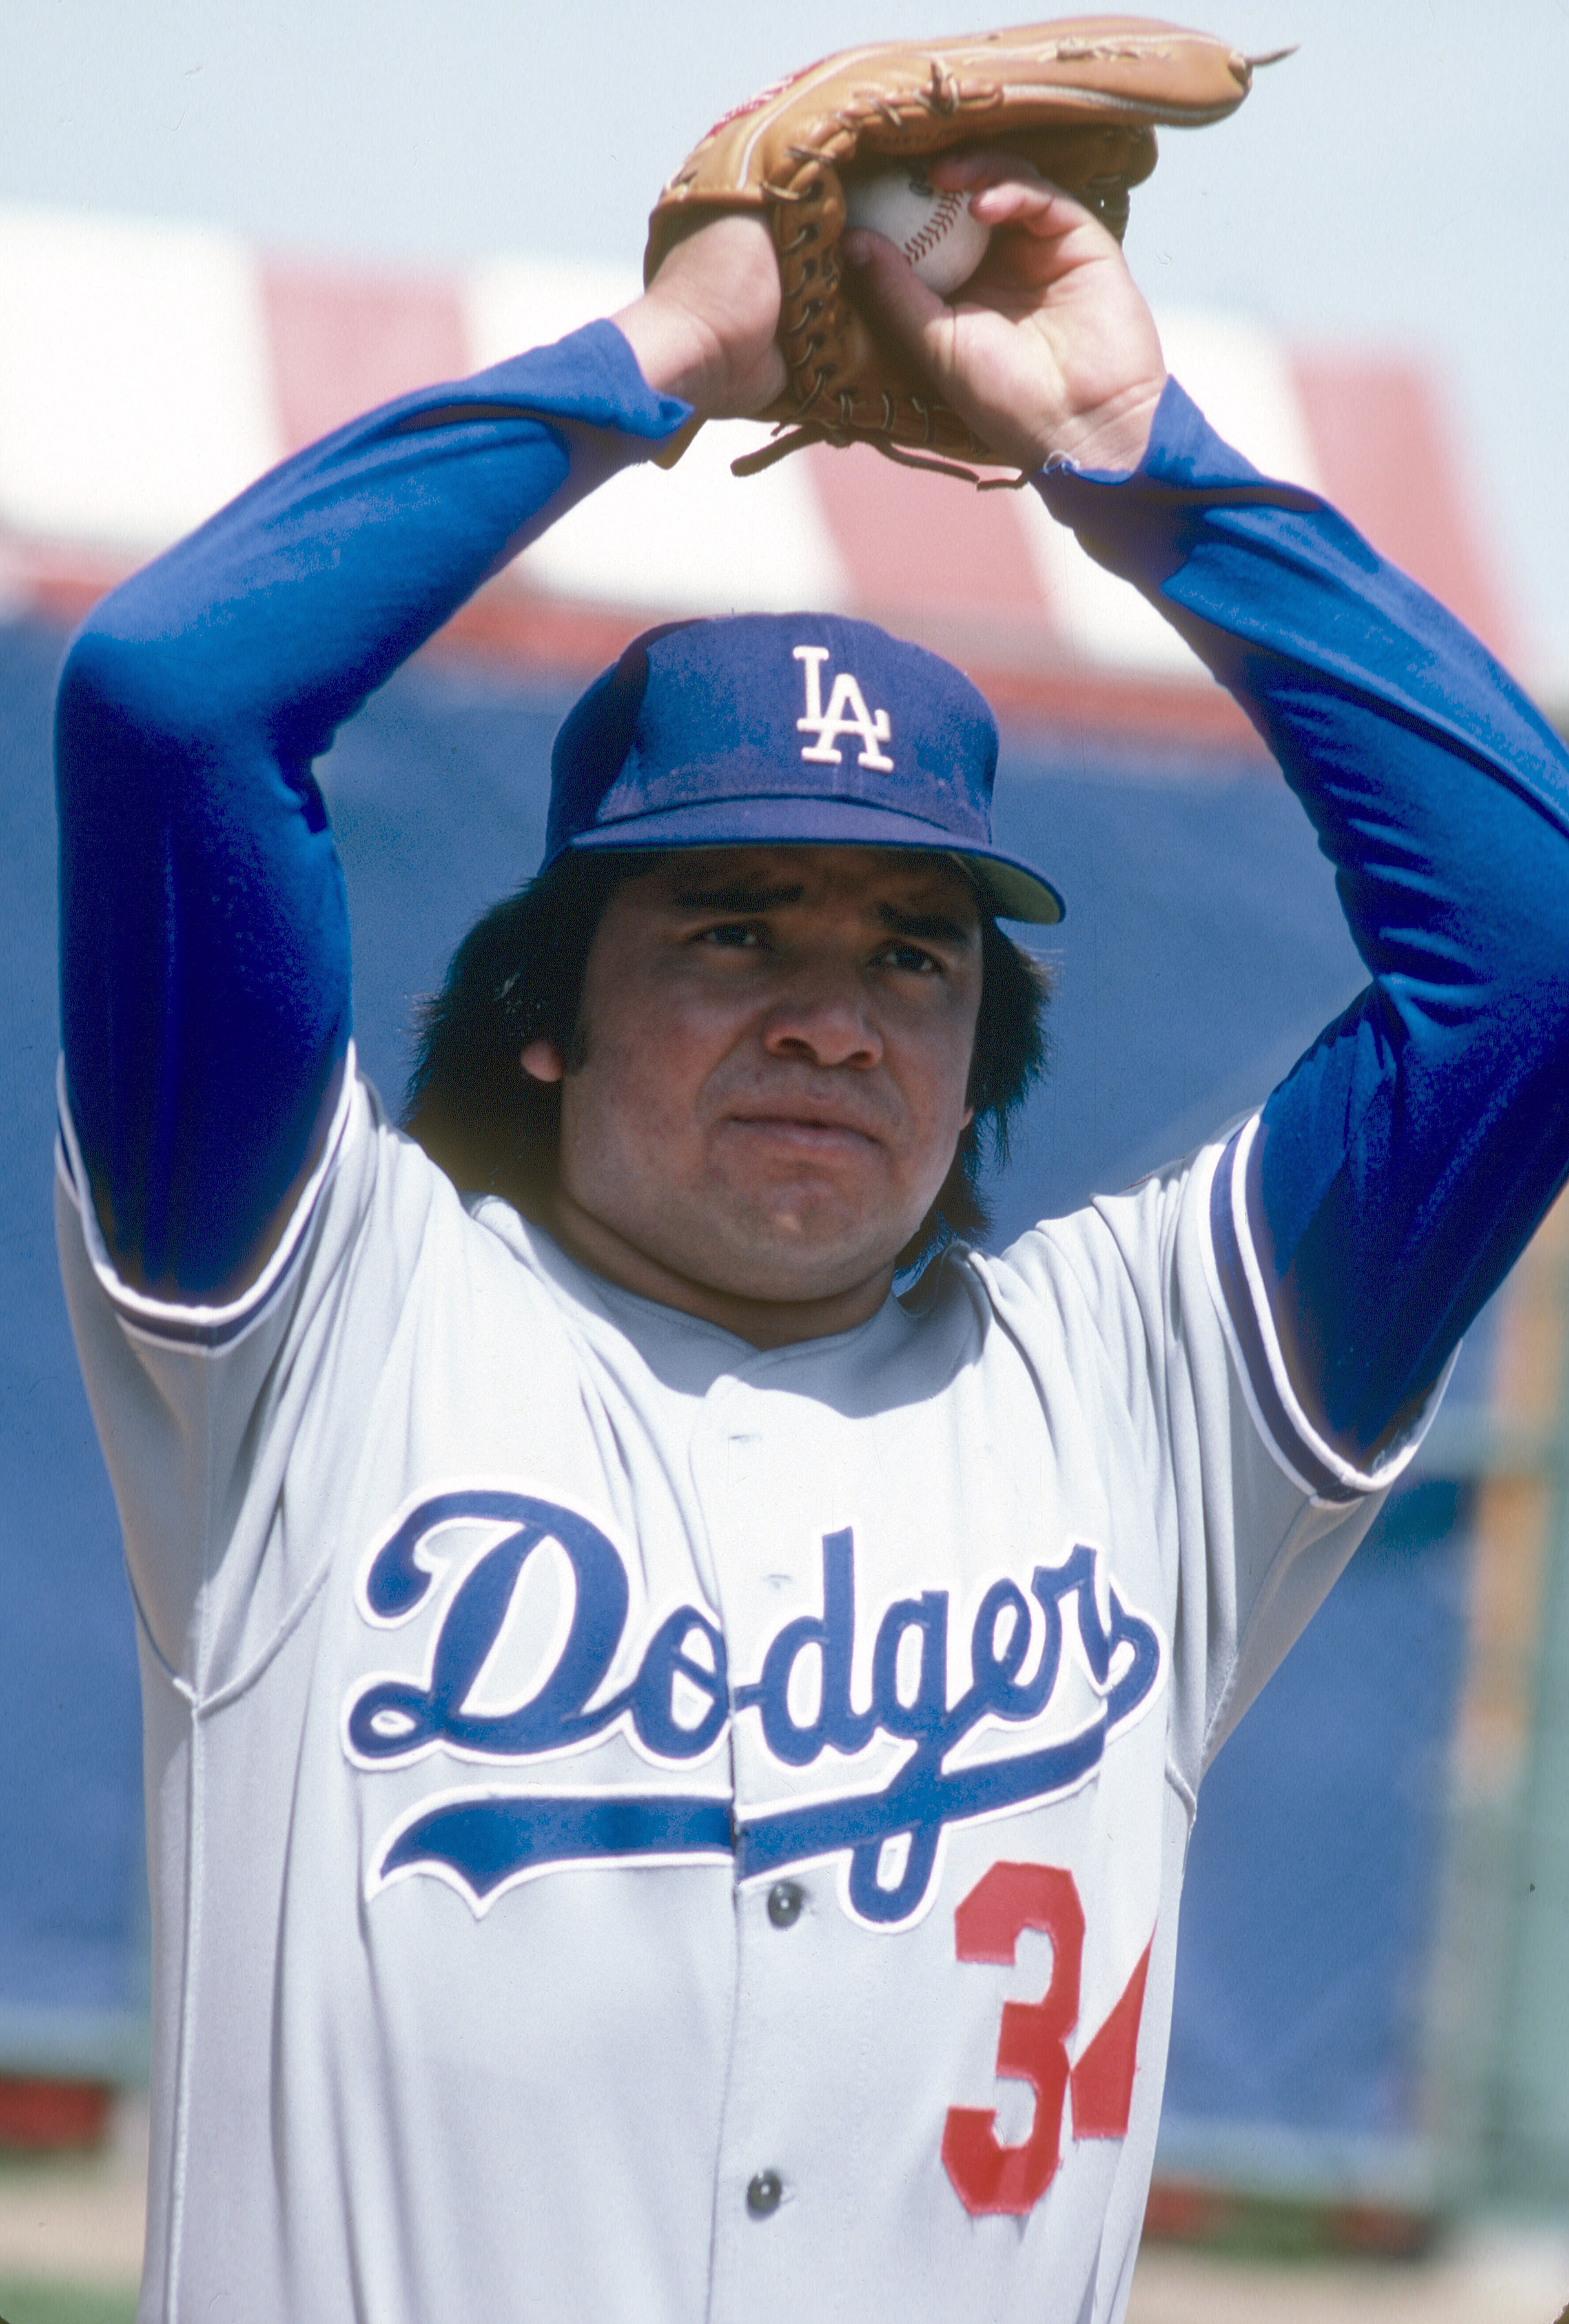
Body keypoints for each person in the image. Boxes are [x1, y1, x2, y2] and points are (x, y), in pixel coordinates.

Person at [53, 148, 1569, 2324]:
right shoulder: (315, 1329)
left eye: (915, 955)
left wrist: (1139, 464)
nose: (831, 1020)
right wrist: (668, 356)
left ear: (981, 1049)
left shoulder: (1150, 1397)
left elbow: (1531, 946)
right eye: (733, 924)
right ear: (550, 1015)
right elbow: (174, 698)